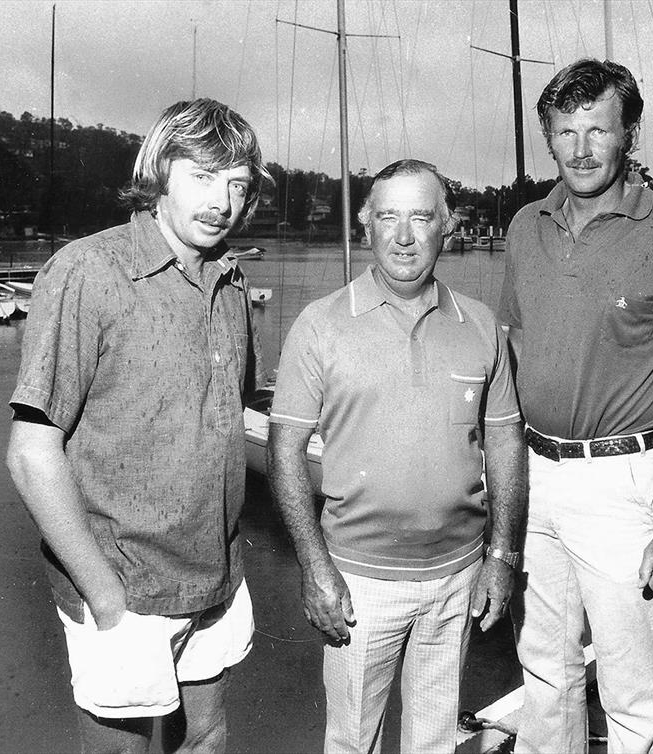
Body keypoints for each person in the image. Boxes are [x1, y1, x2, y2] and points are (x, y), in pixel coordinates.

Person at [6, 98, 269, 753]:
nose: (222, 201)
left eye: (237, 184)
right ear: (160, 170)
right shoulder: (87, 271)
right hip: (123, 590)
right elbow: (32, 455)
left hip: (216, 578)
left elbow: (223, 421)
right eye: (204, 176)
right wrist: (105, 600)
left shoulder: (231, 280)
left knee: (206, 737)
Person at [499, 59, 653, 753]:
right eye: (566, 131)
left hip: (622, 485)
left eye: (598, 129)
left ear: (629, 133)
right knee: (544, 671)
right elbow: (508, 361)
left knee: (633, 688)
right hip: (535, 480)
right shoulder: (524, 227)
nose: (581, 148)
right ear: (549, 139)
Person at [267, 159, 527, 754]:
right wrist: (314, 567)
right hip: (358, 583)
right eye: (388, 216)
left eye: (421, 217)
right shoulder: (320, 325)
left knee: (434, 742)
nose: (404, 236)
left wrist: (502, 556)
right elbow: (284, 451)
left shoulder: (482, 326)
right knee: (350, 742)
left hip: (458, 577)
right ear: (366, 225)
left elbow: (507, 443)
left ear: (447, 226)